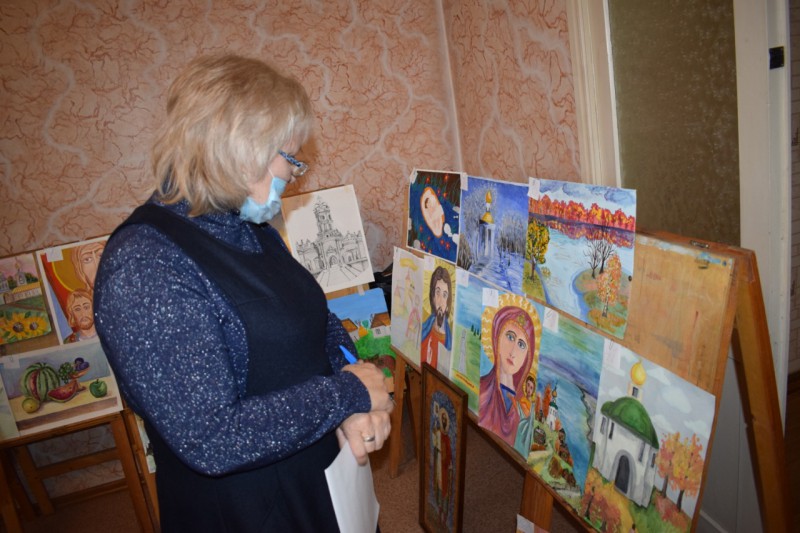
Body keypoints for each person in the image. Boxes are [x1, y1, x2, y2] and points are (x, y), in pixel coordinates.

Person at [93, 54, 393, 532]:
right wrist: (347, 393)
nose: (294, 173)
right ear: (243, 150)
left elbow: (317, 320)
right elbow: (212, 437)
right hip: (246, 509)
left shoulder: (247, 227)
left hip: (316, 468)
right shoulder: (144, 266)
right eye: (290, 158)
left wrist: (352, 390)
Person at [478, 305, 536, 446]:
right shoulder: (482, 389)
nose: (513, 352)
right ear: (497, 337)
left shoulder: (524, 407)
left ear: (527, 358)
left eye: (521, 345)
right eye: (510, 337)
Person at [420, 266, 452, 369]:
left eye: (444, 295)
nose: (440, 300)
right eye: (437, 292)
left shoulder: (449, 342)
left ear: (448, 302)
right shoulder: (424, 330)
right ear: (432, 296)